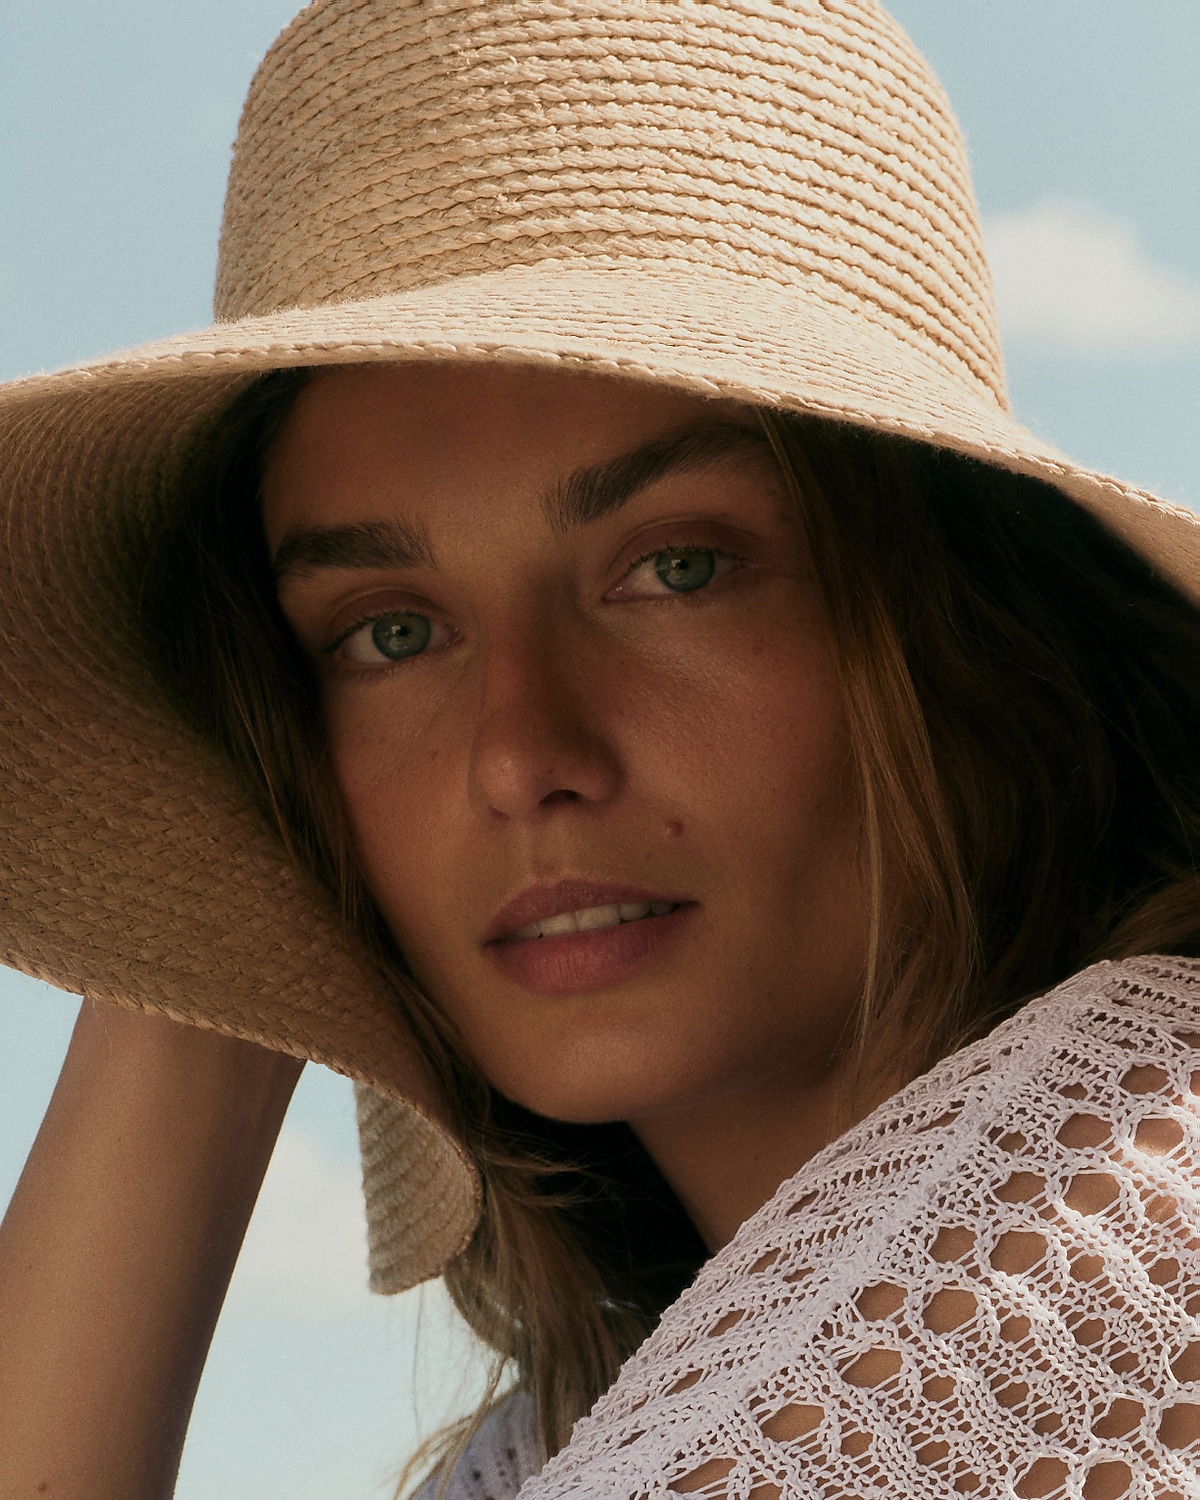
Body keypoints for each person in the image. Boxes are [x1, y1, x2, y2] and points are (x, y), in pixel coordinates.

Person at [0, 3, 1196, 1499]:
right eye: (388, 631)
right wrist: (207, 927)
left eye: (677, 568)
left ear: (968, 622)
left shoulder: (1118, 1210)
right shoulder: (595, 1417)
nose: (519, 755)